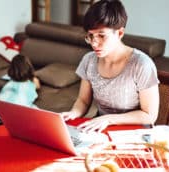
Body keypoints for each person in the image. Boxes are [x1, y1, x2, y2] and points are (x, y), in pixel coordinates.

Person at [61, 0, 160, 133]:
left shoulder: (141, 64)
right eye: (90, 36)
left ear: (119, 33)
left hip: (135, 132)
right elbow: (83, 101)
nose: (94, 43)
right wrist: (73, 113)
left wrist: (109, 119)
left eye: (102, 36)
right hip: (102, 128)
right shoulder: (89, 60)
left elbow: (150, 115)